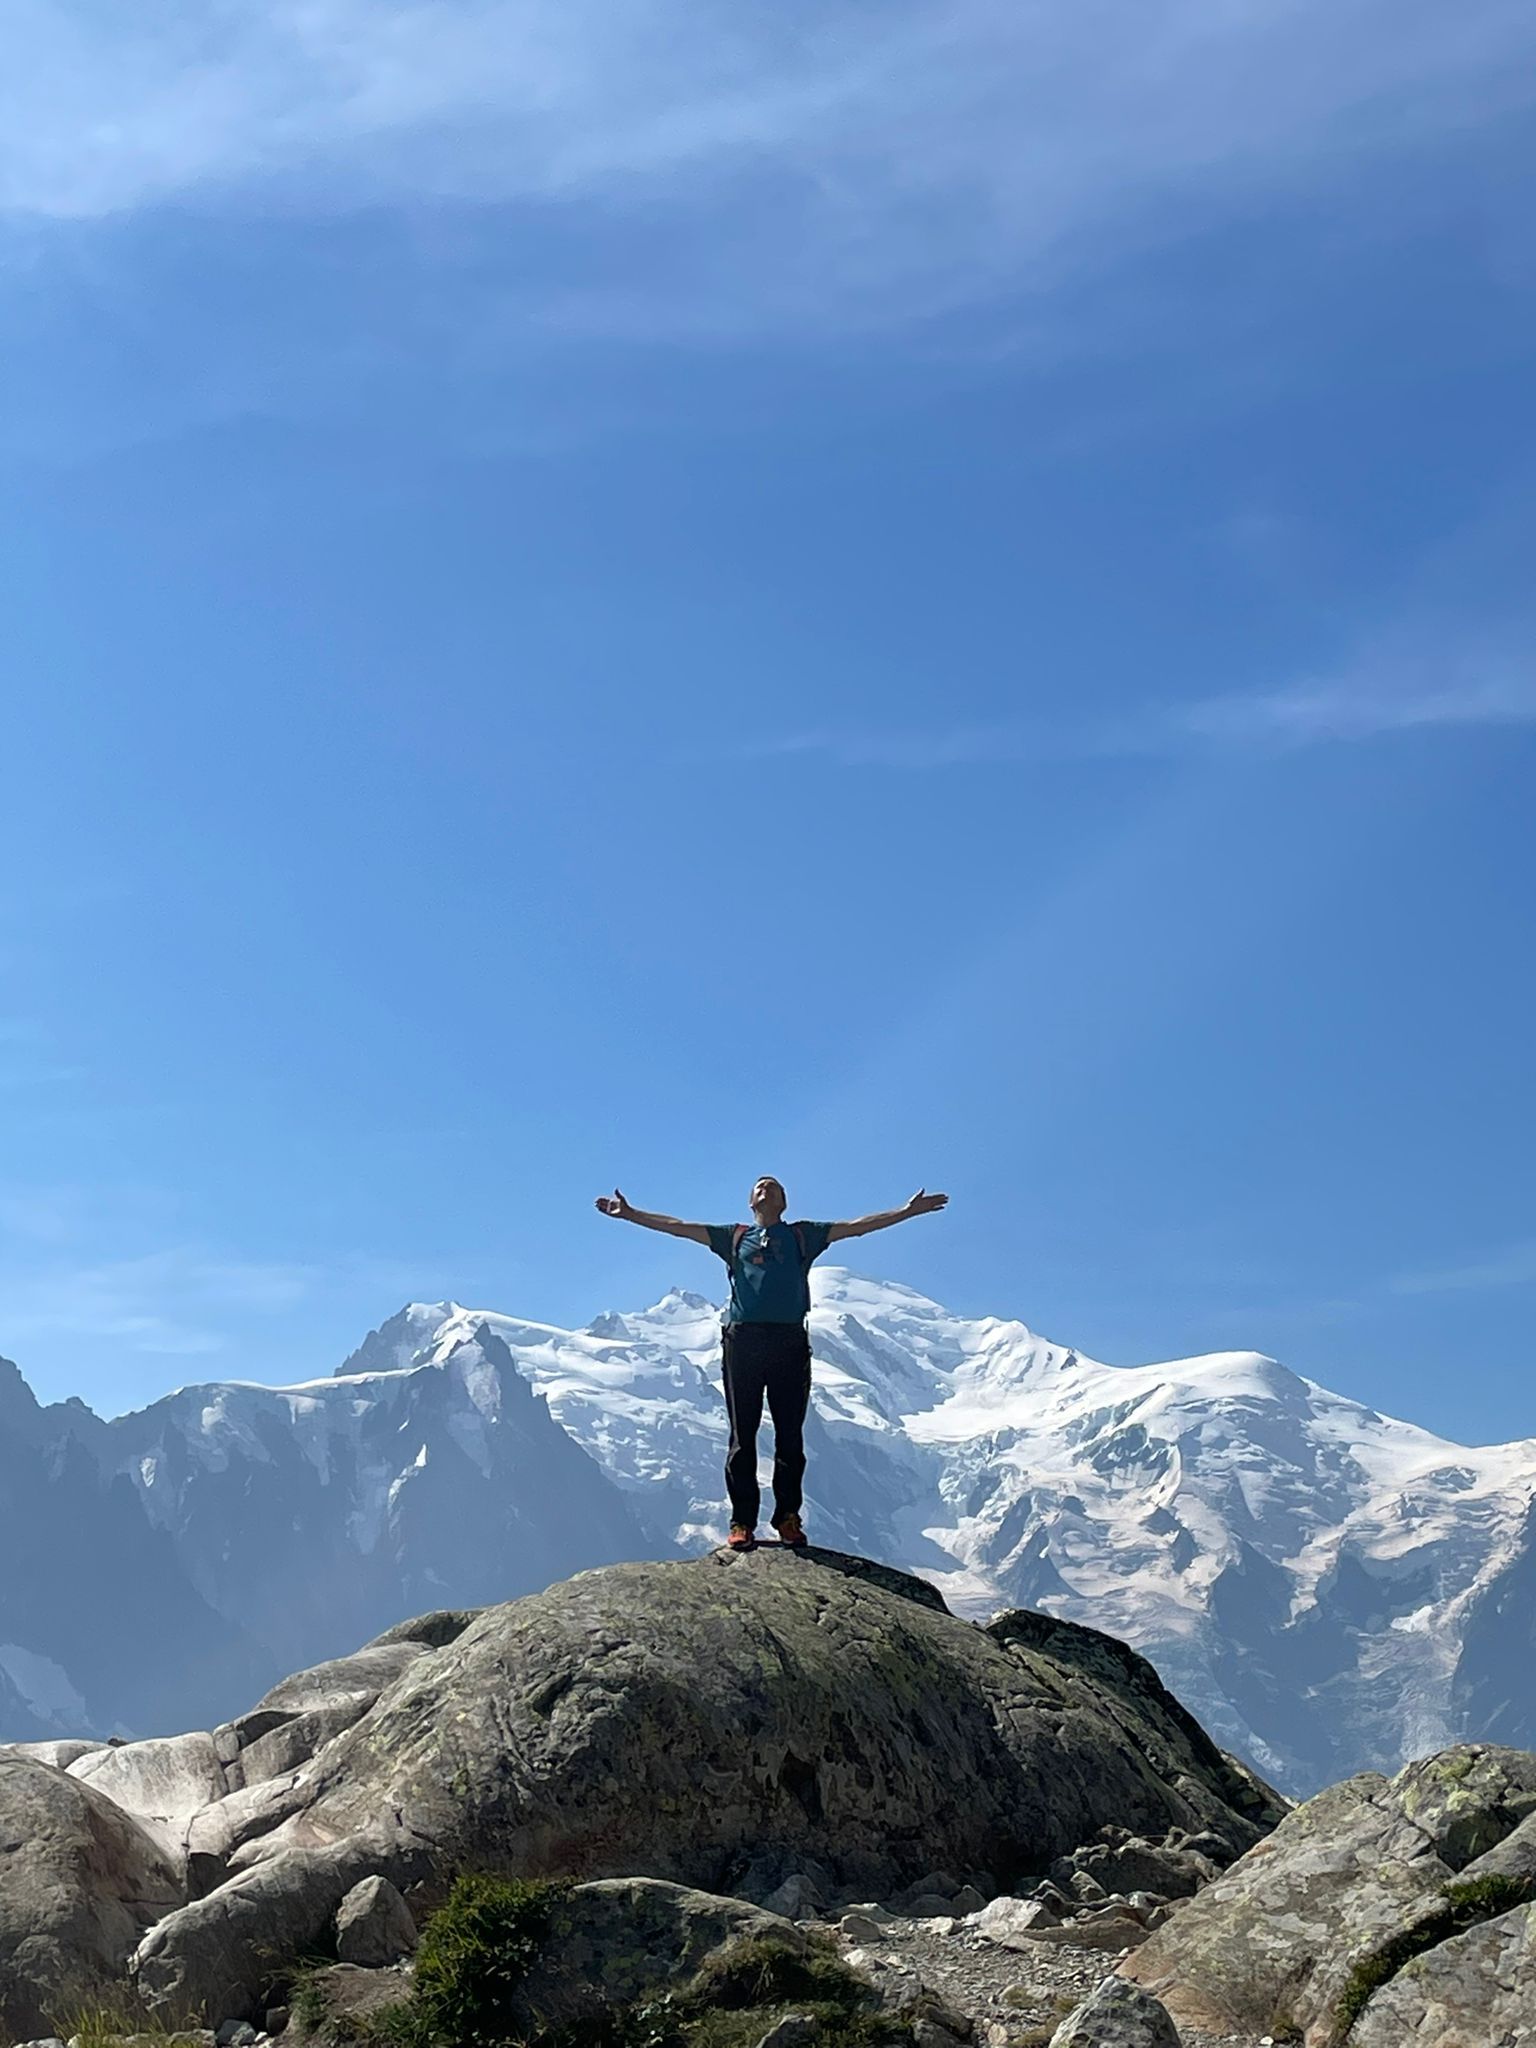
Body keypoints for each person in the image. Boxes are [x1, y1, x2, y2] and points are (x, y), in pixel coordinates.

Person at [594, 1175, 948, 1550]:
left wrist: (907, 1212)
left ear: (785, 1202)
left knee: (789, 1438)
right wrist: (631, 1214)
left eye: (774, 1186)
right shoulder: (733, 1237)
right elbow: (679, 1228)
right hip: (742, 1341)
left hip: (789, 1342)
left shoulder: (802, 1236)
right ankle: (742, 1522)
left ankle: (787, 1518)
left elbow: (857, 1228)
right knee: (742, 1437)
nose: (766, 1189)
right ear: (751, 1202)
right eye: (760, 1187)